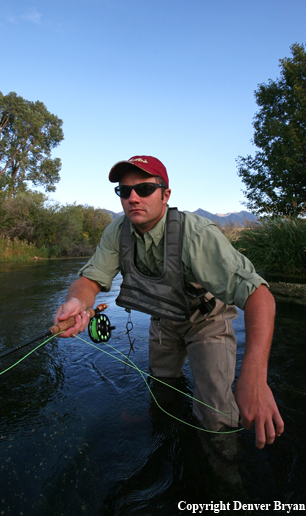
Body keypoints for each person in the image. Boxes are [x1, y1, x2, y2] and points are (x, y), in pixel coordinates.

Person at [54, 155, 284, 449]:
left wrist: (254, 376)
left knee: (215, 414)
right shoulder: (116, 232)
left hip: (206, 320)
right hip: (162, 317)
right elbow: (90, 281)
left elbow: (258, 295)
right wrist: (76, 301)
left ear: (166, 195)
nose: (133, 198)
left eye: (145, 189)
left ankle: (223, 467)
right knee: (162, 382)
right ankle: (164, 420)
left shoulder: (196, 234)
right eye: (125, 191)